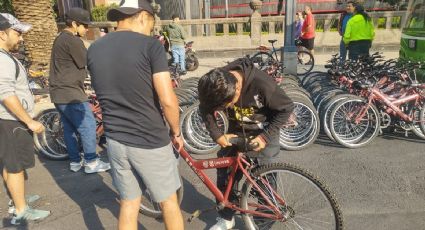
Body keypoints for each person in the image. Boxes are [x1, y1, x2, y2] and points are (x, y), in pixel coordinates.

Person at [87, 0, 184, 229]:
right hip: (149, 139)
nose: (151, 30)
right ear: (142, 16)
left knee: (129, 202)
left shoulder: (94, 48)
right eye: (151, 24)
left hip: (115, 139)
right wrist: (176, 132)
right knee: (169, 202)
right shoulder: (150, 46)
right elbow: (167, 100)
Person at [198, 58, 294, 230]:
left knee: (264, 184)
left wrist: (264, 138)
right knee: (226, 178)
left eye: (226, 105)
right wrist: (217, 135)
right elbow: (204, 108)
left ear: (237, 89)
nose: (224, 109)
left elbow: (286, 108)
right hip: (234, 135)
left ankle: (261, 225)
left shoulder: (262, 84)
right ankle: (226, 217)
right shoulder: (218, 81)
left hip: (263, 135)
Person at [0, 13, 51, 225]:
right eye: (17, 32)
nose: (21, 37)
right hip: (11, 122)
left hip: (8, 121)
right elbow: (5, 93)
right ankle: (20, 210)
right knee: (15, 166)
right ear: (2, 34)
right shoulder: (2, 59)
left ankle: (17, 199)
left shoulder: (5, 56)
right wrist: (29, 121)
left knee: (10, 163)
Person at [49, 7, 111, 173]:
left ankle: (75, 161)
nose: (86, 29)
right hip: (71, 93)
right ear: (75, 24)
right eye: (84, 26)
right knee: (88, 125)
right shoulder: (72, 40)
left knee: (69, 128)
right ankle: (91, 161)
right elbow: (89, 62)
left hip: (58, 93)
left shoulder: (60, 38)